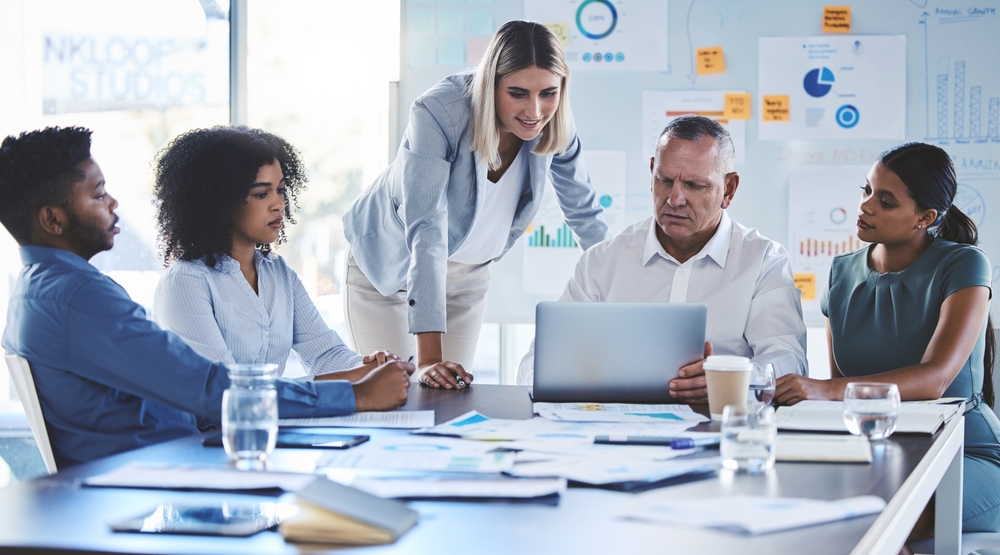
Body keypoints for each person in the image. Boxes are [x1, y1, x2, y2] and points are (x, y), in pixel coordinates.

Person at [0, 126, 413, 468]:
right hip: (168, 475)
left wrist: (363, 376)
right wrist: (355, 394)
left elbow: (200, 386)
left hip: (178, 465)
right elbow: (211, 391)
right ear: (52, 219)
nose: (113, 202)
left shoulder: (48, 289)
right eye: (97, 194)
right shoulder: (78, 297)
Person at [343, 20, 610, 389]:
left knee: (446, 399)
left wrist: (623, 293)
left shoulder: (552, 117)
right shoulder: (439, 112)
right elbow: (427, 229)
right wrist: (429, 360)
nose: (535, 110)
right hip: (391, 270)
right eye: (517, 93)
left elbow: (585, 213)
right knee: (396, 399)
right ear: (491, 84)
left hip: (469, 276)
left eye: (548, 92)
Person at [774, 143, 999, 555]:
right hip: (877, 451)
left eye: (885, 200)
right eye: (867, 190)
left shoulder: (965, 265)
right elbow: (842, 388)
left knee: (870, 524)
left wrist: (824, 389)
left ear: (925, 218)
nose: (865, 205)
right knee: (809, 515)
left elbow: (935, 378)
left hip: (963, 454)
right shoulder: (842, 273)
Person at [516, 115, 808, 403]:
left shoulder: (763, 261)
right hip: (616, 429)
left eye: (695, 186)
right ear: (652, 171)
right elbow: (535, 367)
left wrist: (728, 377)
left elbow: (788, 361)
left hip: (718, 425)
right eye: (665, 180)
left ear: (728, 189)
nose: (675, 199)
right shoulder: (604, 261)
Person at [151, 125, 394, 382]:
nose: (278, 204)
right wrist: (341, 386)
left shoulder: (279, 274)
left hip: (271, 421)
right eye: (261, 193)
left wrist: (372, 366)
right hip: (217, 423)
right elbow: (227, 391)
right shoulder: (185, 283)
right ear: (220, 201)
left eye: (280, 189)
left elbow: (325, 355)